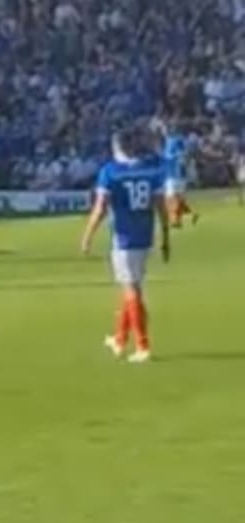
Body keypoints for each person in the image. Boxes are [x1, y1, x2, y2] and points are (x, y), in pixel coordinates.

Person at [80, 130, 169, 364]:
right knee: (131, 287)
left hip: (124, 240)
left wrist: (87, 236)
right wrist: (165, 236)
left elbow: (100, 209)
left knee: (132, 292)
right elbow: (160, 205)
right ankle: (120, 339)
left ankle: (143, 345)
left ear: (117, 147)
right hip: (145, 237)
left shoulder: (110, 172)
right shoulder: (151, 170)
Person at [162, 126, 198, 228]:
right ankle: (191, 216)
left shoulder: (171, 148)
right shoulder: (180, 151)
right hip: (179, 177)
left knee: (171, 199)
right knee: (178, 199)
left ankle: (175, 221)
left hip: (173, 177)